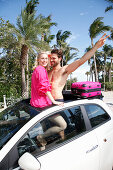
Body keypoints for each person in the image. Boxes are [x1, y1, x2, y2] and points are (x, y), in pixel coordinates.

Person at [48, 33, 110, 100]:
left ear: (60, 59)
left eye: (53, 58)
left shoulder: (64, 70)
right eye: (50, 58)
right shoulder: (48, 72)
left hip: (58, 101)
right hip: (47, 102)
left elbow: (81, 60)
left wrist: (96, 47)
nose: (51, 60)